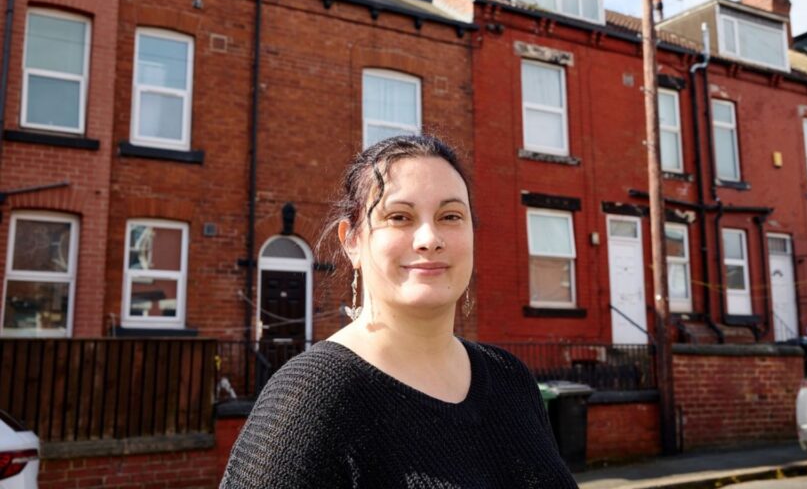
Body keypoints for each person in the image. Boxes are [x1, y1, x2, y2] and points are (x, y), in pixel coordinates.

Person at [221, 134, 577, 488]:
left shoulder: (511, 378)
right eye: (399, 217)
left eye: (451, 216)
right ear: (352, 241)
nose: (429, 238)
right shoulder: (310, 398)